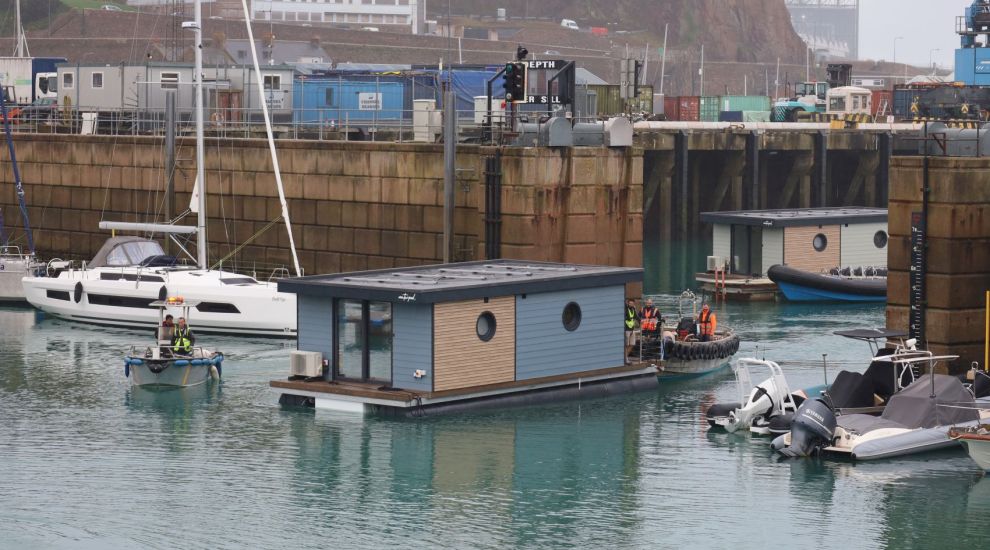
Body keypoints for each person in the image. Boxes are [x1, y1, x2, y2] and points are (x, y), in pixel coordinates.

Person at [624, 298, 639, 363]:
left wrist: (641, 320)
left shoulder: (633, 309)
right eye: (630, 303)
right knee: (626, 345)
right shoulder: (625, 309)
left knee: (632, 344)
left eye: (632, 303)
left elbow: (636, 317)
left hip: (632, 329)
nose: (631, 304)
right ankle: (625, 359)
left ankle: (625, 357)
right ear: (628, 303)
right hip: (626, 329)